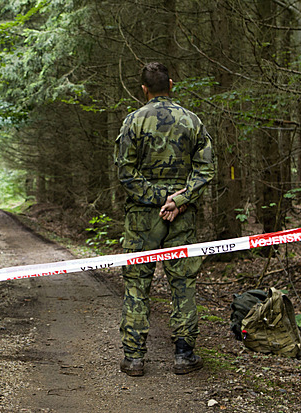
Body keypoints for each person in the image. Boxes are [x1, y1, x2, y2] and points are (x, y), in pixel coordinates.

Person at [114, 62, 215, 376]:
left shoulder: (133, 122)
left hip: (143, 218)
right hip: (181, 216)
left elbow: (125, 173)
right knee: (183, 283)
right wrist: (178, 199)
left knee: (136, 285)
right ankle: (184, 355)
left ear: (144, 89)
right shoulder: (191, 121)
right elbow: (206, 169)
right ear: (171, 84)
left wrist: (158, 198)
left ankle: (134, 358)